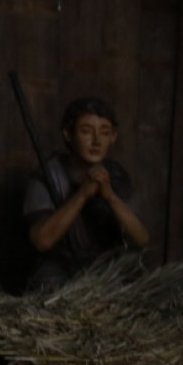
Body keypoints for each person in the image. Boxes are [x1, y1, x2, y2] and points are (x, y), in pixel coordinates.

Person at [23, 97, 150, 290]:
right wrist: (82, 195)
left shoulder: (115, 175)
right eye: (86, 131)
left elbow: (141, 239)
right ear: (68, 134)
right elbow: (42, 240)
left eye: (105, 132)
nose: (97, 141)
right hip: (61, 269)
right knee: (48, 281)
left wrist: (111, 197)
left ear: (113, 136)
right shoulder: (49, 176)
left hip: (103, 269)